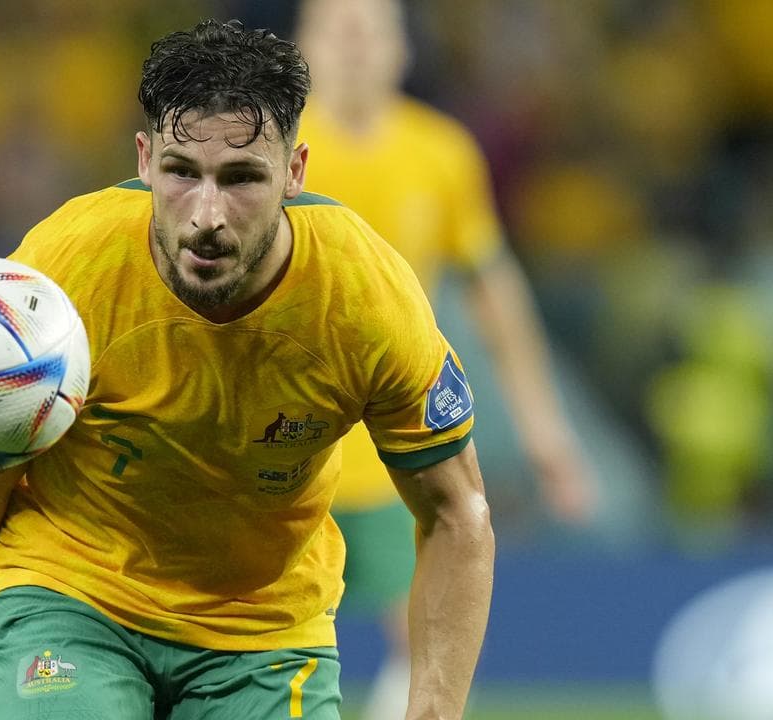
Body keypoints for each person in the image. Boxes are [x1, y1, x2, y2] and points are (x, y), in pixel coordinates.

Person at [0, 18, 494, 720]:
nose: (206, 216)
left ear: (295, 172)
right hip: (73, 590)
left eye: (240, 179)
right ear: (143, 160)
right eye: (181, 173)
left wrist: (435, 712)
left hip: (263, 629)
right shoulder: (67, 269)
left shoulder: (365, 301)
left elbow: (457, 512)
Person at [294, 0, 598, 716]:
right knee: (265, 630)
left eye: (373, 30)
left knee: (424, 633)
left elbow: (495, 290)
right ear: (304, 47)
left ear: (402, 51)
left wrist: (543, 428)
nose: (357, 46)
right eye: (339, 30)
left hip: (397, 433)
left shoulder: (442, 153)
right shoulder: (272, 148)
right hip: (287, 433)